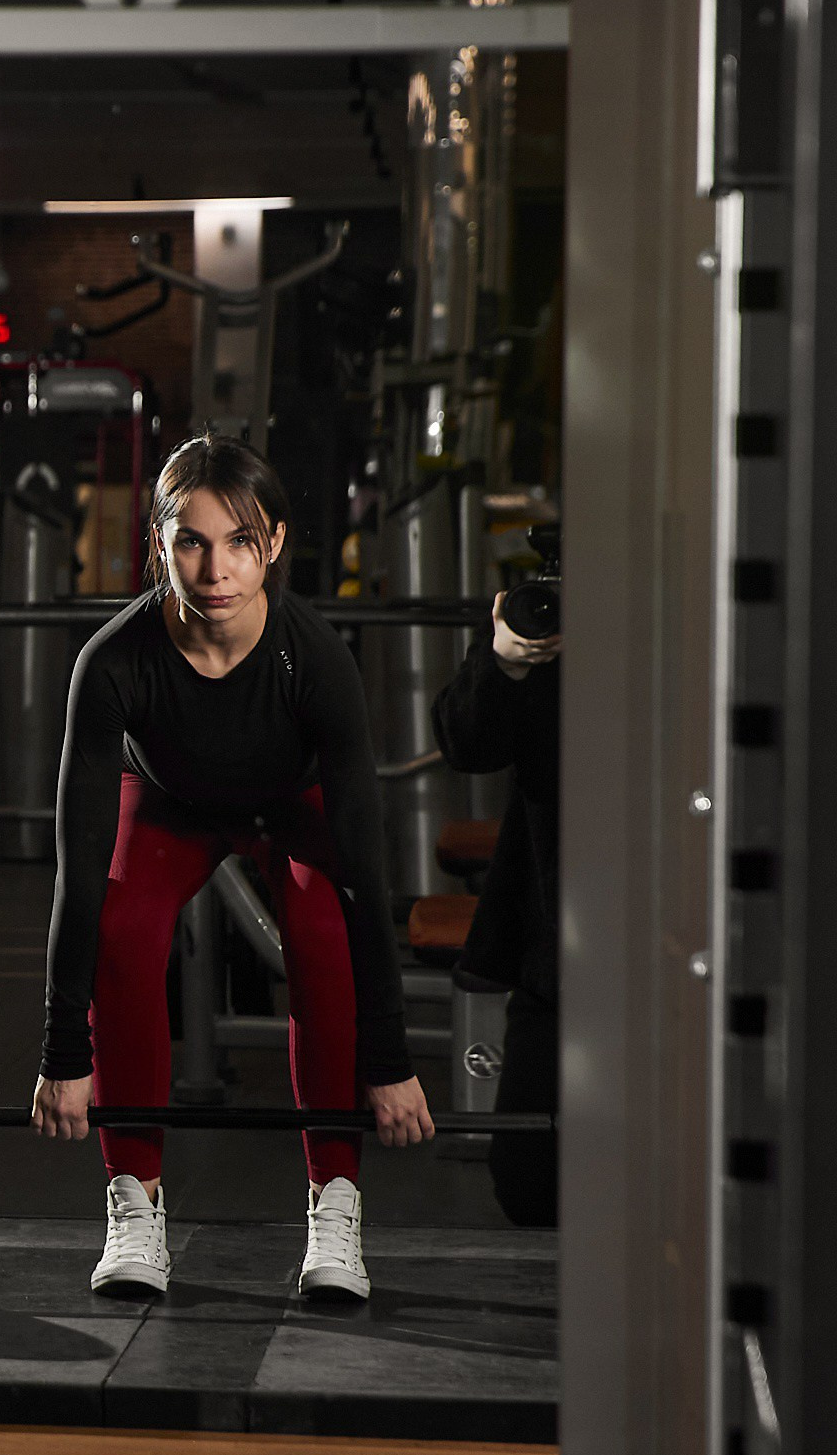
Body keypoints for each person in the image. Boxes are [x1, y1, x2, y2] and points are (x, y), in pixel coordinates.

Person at [33, 436, 433, 1301]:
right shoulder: (112, 663)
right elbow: (79, 870)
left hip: (292, 800)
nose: (216, 568)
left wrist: (391, 1058)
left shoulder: (317, 660)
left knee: (325, 933)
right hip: (169, 797)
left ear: (276, 543)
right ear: (159, 541)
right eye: (192, 541)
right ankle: (135, 1200)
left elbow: (365, 868)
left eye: (240, 542)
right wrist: (65, 1048)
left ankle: (336, 1198)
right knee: (125, 926)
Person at [432, 589, 562, 1227]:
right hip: (560, 941)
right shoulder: (550, 640)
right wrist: (505, 659)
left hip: (678, 925)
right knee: (528, 1185)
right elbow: (468, 743)